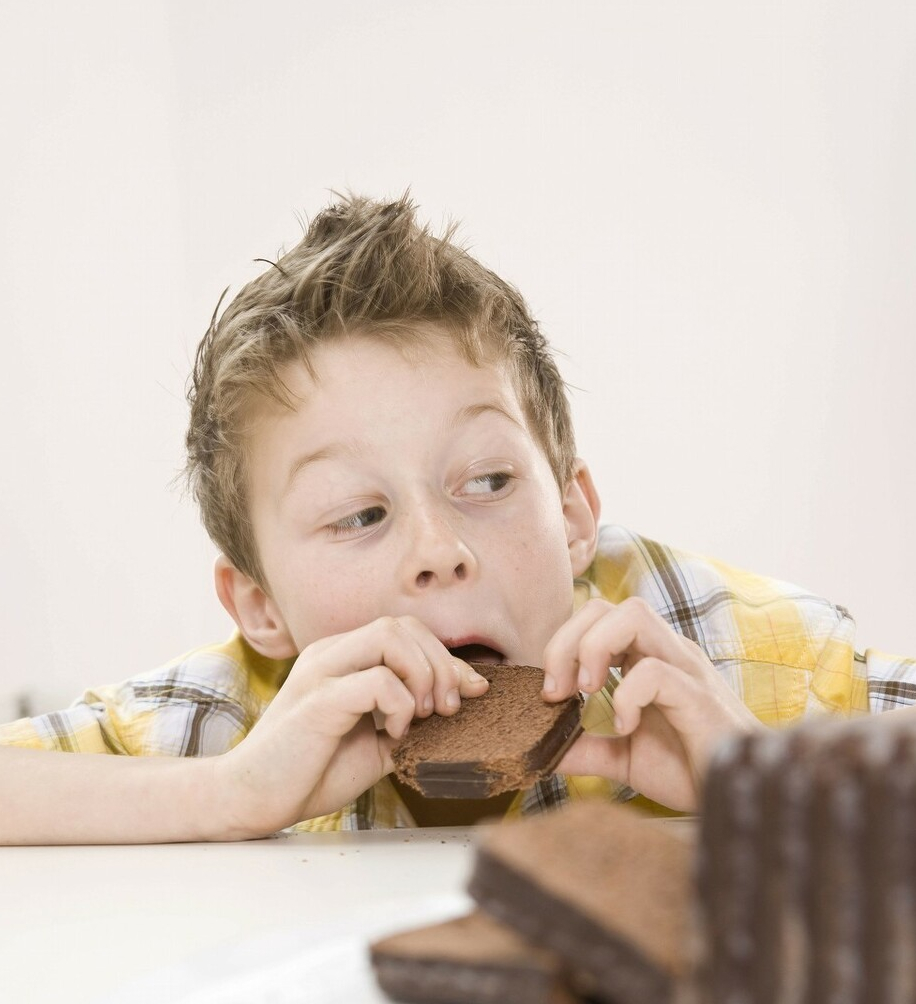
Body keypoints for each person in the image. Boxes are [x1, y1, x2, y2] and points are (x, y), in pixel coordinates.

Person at [2, 193, 914, 845]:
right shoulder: (229, 721)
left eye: (485, 481)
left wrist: (780, 792)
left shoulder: (729, 665)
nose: (438, 552)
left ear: (571, 516)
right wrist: (225, 796)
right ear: (259, 606)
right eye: (360, 514)